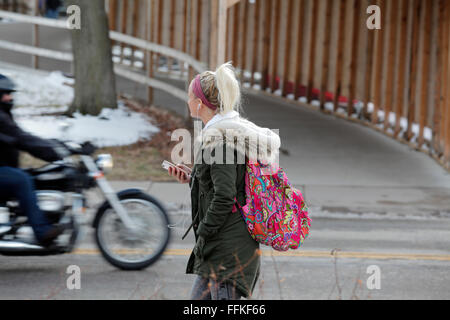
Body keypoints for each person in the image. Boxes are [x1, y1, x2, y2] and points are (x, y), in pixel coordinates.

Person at [168, 62, 280, 300]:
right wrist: (192, 179)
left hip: (228, 251)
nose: (187, 101)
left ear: (199, 104)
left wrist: (205, 231)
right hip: (219, 247)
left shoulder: (221, 140)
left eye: (189, 96)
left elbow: (225, 195)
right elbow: (222, 185)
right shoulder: (220, 134)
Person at [0, 74, 68, 246]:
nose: (10, 98)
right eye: (5, 94)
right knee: (22, 179)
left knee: (35, 176)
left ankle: (21, 224)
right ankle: (42, 231)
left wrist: (58, 144)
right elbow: (22, 140)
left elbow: (23, 137)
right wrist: (54, 152)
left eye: (10, 94)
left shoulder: (4, 116)